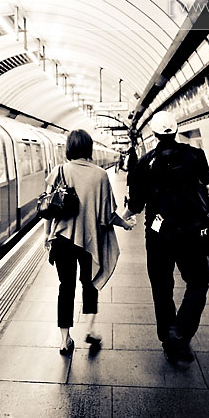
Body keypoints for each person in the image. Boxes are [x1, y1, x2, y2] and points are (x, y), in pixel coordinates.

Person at [121, 111, 209, 364]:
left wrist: (122, 219)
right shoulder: (195, 155)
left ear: (152, 134)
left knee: (161, 287)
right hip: (191, 232)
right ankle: (181, 333)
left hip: (157, 234)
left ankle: (168, 338)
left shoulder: (143, 163)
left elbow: (136, 205)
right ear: (175, 131)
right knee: (198, 281)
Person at [44, 129, 136, 355]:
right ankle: (91, 328)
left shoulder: (59, 171)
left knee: (65, 287)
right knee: (90, 282)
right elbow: (107, 214)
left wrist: (47, 236)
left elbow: (48, 209)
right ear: (89, 148)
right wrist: (125, 224)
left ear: (69, 148)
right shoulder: (100, 175)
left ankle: (65, 340)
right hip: (90, 240)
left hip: (62, 239)